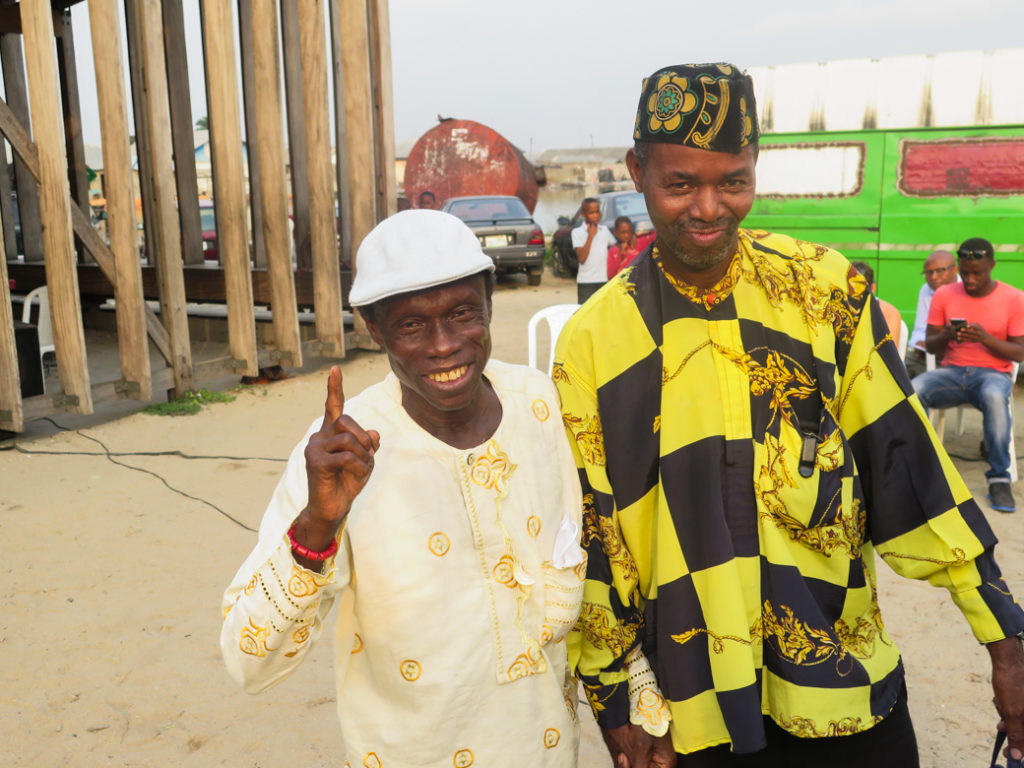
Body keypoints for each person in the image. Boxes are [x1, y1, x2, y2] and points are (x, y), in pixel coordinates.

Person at [553, 63, 1024, 767]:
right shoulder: (596, 342)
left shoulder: (824, 290)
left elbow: (907, 464)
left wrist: (1005, 640)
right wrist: (620, 700)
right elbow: (596, 535)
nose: (709, 208)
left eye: (733, 181)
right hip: (693, 708)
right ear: (637, 171)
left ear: (754, 168)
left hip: (842, 687)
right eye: (680, 183)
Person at [221, 210, 586, 767]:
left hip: (547, 750)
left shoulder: (537, 402)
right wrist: (318, 526)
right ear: (375, 328)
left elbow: (575, 549)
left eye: (462, 314)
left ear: (489, 302)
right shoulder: (339, 454)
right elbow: (250, 665)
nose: (443, 346)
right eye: (412, 326)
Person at [913, 237, 1024, 513]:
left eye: (978, 273)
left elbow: (1019, 353)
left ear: (993, 266)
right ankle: (921, 470)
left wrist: (985, 338)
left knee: (994, 398)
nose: (971, 279)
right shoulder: (944, 295)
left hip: (992, 375)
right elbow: (930, 344)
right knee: (912, 390)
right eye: (965, 273)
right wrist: (947, 335)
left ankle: (999, 479)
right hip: (952, 372)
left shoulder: (1014, 298)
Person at [905, 250, 958, 378]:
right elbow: (920, 329)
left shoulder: (966, 289)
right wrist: (919, 342)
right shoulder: (926, 289)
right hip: (932, 354)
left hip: (957, 358)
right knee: (899, 366)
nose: (934, 277)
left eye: (940, 270)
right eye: (929, 272)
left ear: (955, 270)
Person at [849, 260, 903, 350]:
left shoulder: (889, 313)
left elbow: (890, 355)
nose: (854, 294)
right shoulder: (837, 309)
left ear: (872, 288)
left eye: (859, 289)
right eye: (851, 289)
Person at [572, 196, 616, 303]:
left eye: (597, 212)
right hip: (586, 282)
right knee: (585, 314)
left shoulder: (604, 230)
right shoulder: (577, 232)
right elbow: (581, 258)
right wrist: (590, 236)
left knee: (602, 314)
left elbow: (615, 245)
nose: (596, 215)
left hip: (603, 280)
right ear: (583, 214)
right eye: (592, 213)